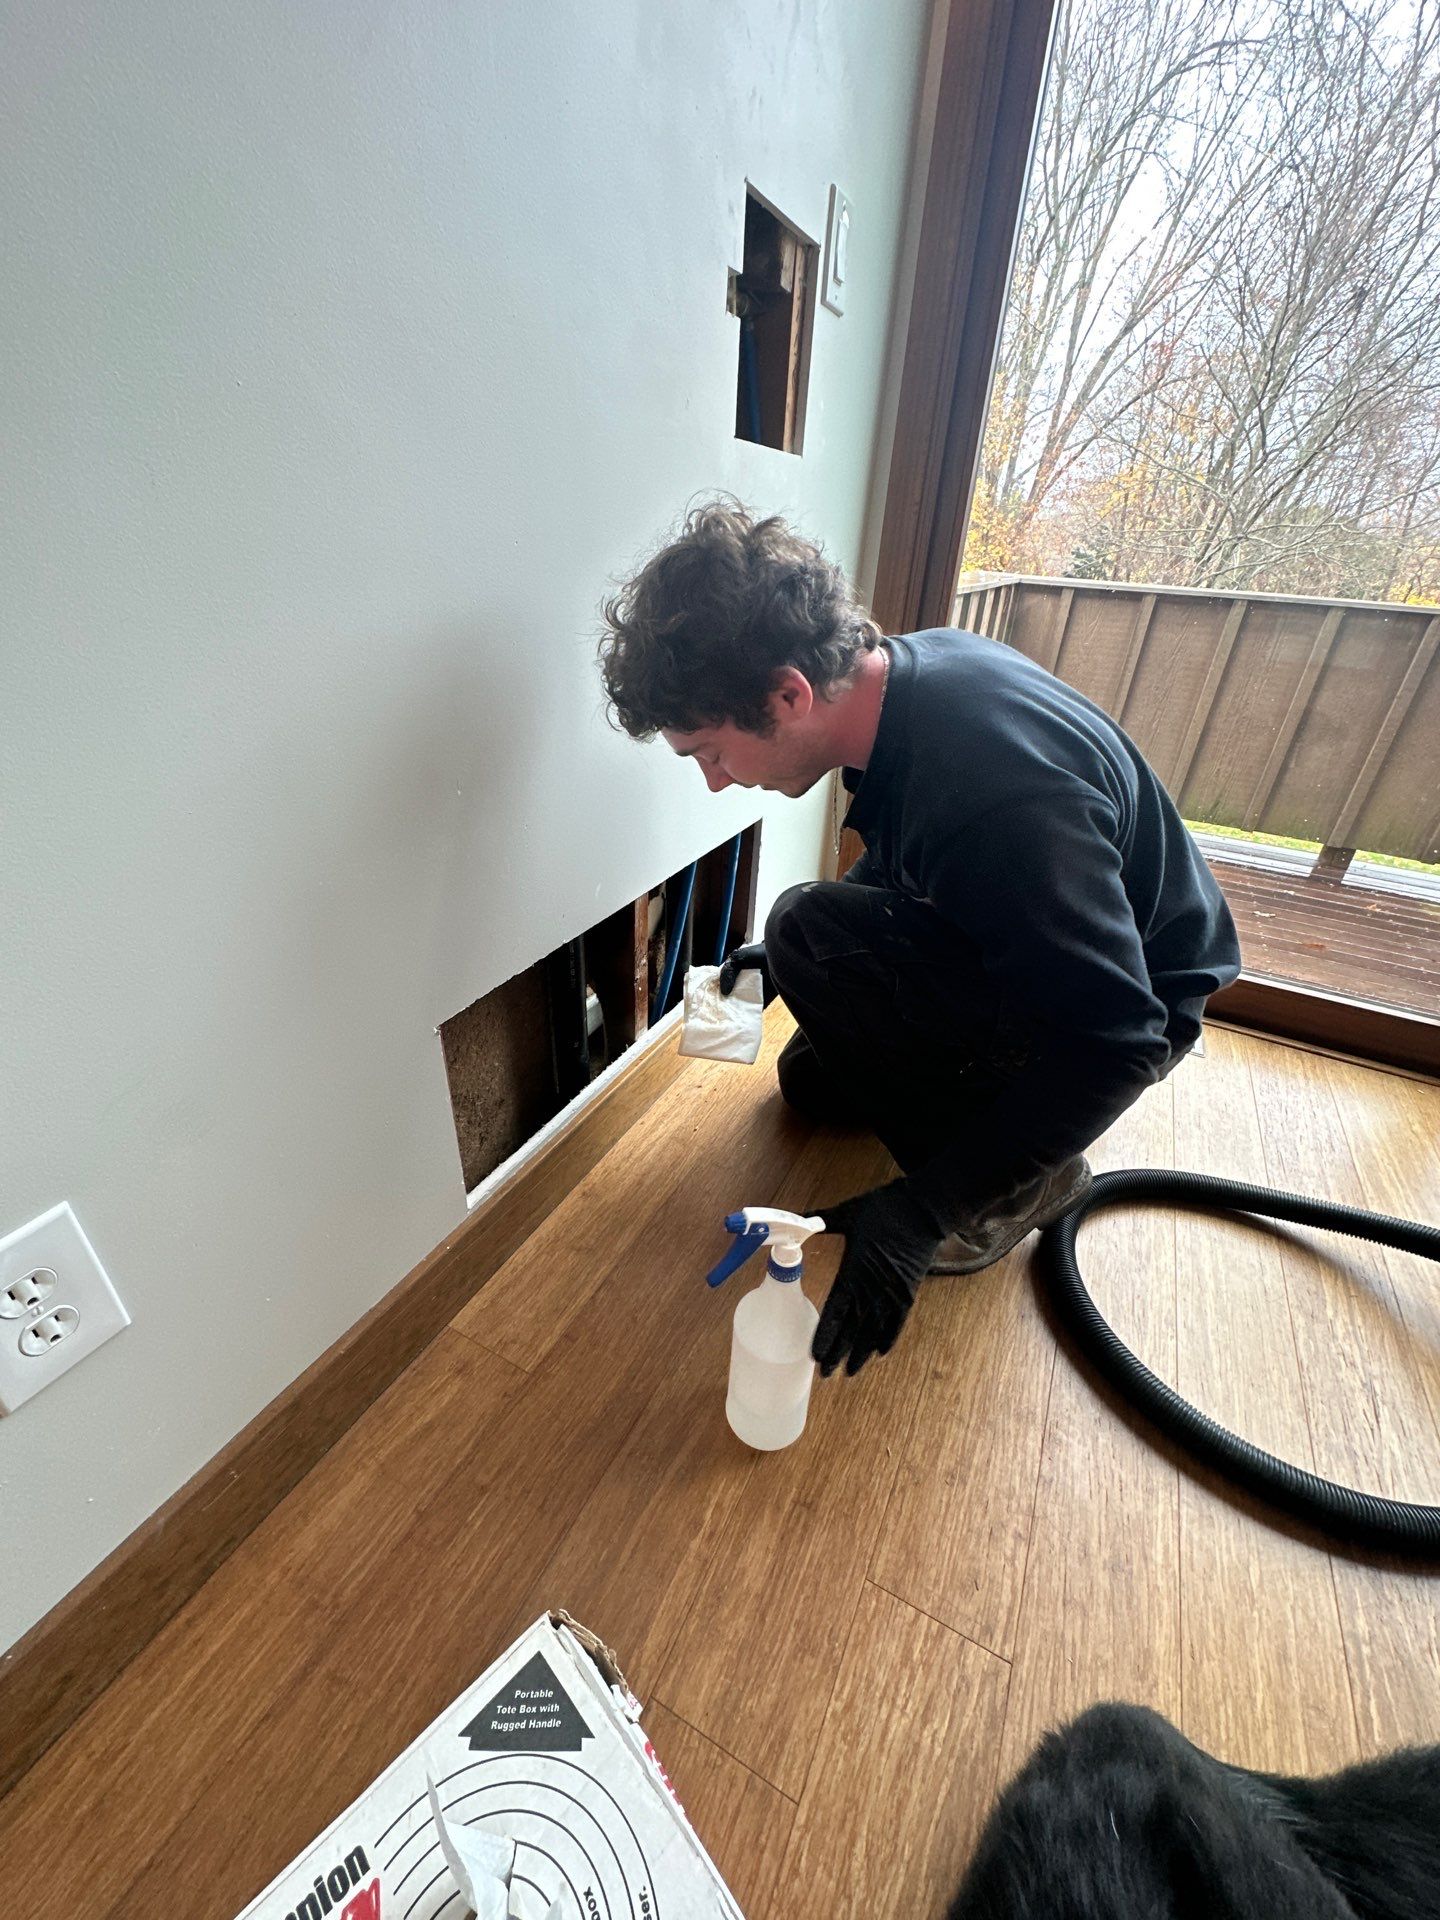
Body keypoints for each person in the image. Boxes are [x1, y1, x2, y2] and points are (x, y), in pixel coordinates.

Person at [598, 500, 1241, 1378]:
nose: (716, 782)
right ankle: (982, 1128)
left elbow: (1118, 1039)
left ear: (787, 694)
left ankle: (1023, 1185)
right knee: (809, 1076)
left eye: (710, 752)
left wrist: (923, 1209)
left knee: (805, 926)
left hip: (1131, 1005)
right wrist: (779, 965)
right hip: (1060, 945)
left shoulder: (993, 798)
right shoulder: (907, 682)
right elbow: (919, 855)